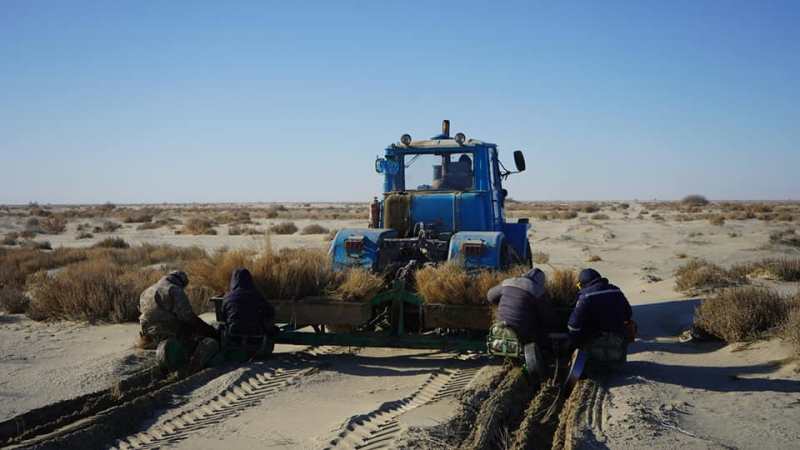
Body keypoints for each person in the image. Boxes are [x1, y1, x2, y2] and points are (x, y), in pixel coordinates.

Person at [139, 270, 218, 372]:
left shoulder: (146, 291)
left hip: (148, 330)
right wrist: (207, 330)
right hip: (168, 327)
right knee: (194, 333)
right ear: (181, 281)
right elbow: (187, 316)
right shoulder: (173, 289)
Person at [567, 268, 633, 365]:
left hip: (595, 344)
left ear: (583, 283)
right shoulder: (616, 290)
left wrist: (572, 341)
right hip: (618, 347)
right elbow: (628, 313)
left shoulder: (585, 296)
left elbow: (573, 325)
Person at [487, 268, 557, 345]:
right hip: (521, 333)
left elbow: (490, 296)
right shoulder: (537, 290)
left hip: (499, 329)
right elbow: (547, 316)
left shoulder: (509, 282)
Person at [221, 268, 276, 360]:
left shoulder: (227, 297)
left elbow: (223, 316)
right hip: (256, 337)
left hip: (234, 337)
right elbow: (270, 312)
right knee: (272, 329)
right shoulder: (256, 295)